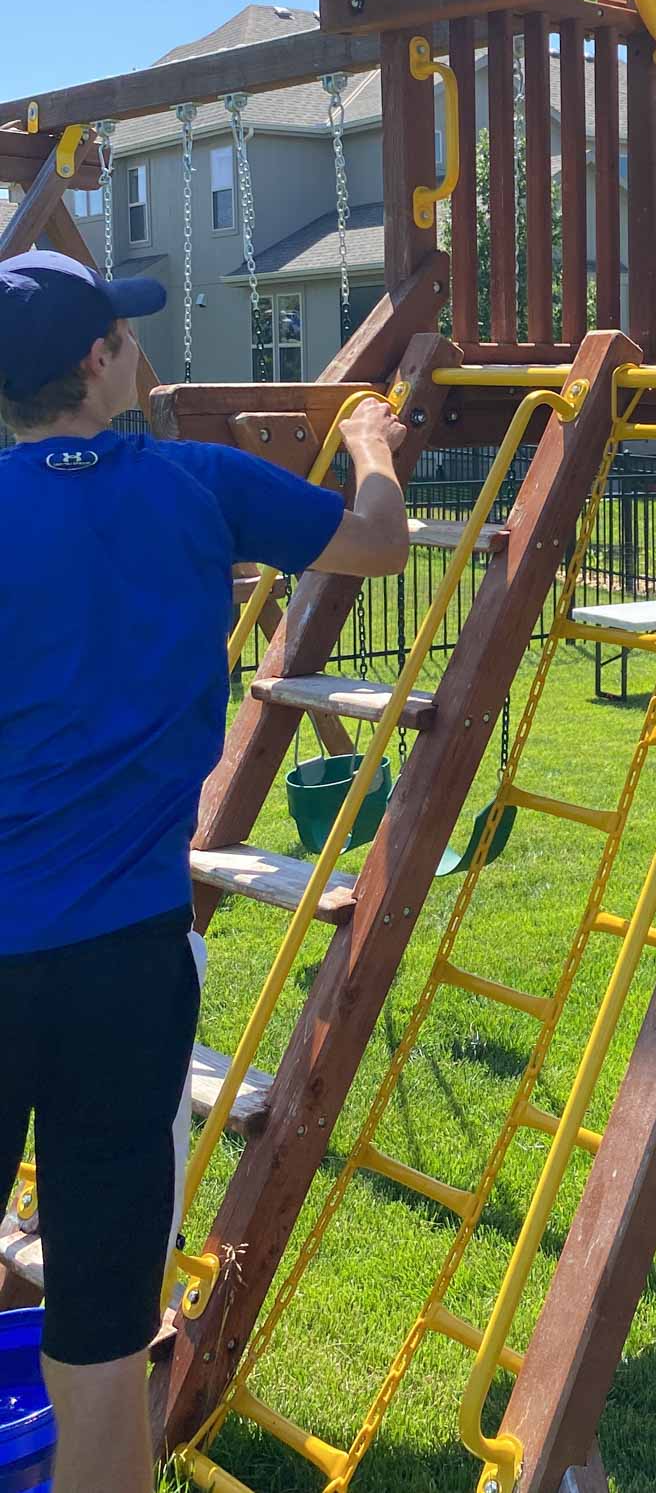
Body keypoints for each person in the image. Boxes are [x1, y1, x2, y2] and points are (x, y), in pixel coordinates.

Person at [0, 250, 411, 1493]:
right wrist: (373, 434)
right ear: (96, 361)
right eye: (122, 336)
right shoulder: (201, 485)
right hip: (122, 973)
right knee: (101, 1332)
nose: (135, 350)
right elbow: (379, 544)